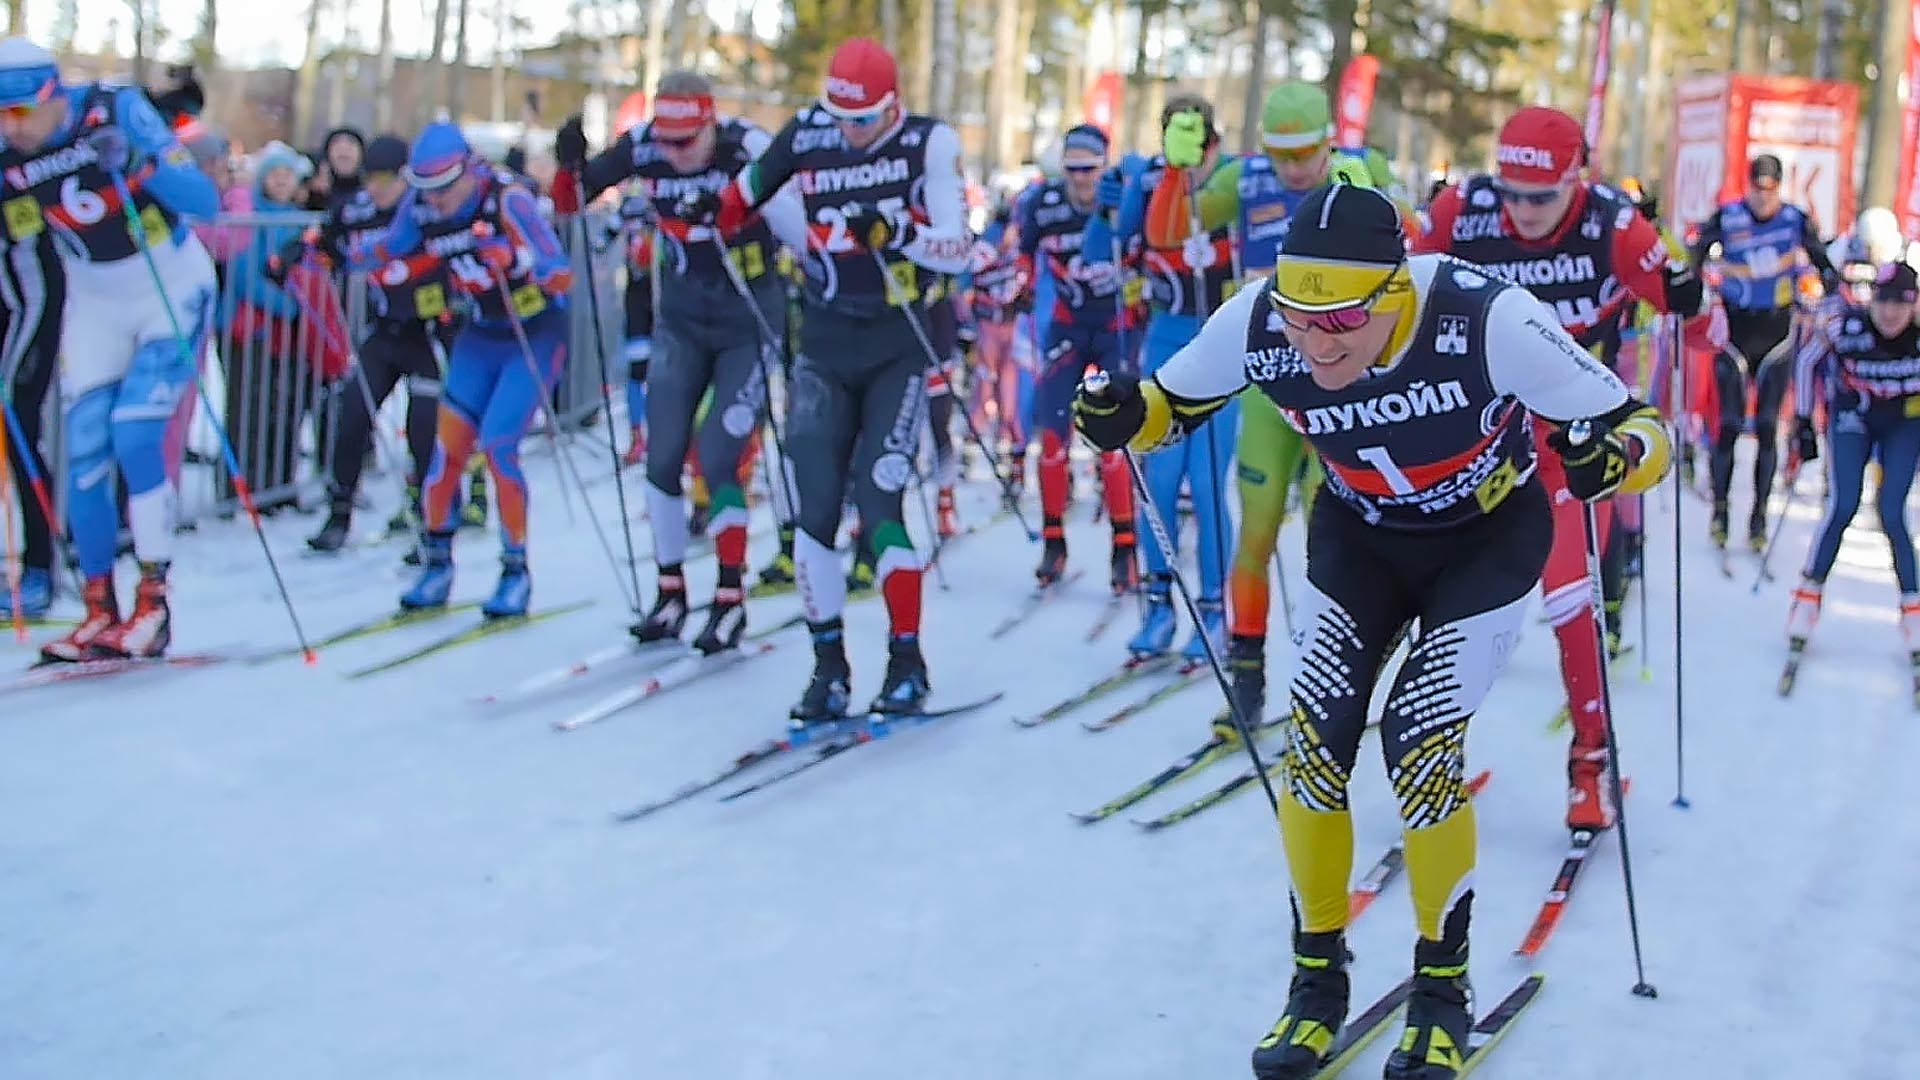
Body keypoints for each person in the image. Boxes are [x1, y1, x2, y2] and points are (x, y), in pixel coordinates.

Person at [1072, 182, 1670, 1080]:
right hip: (1362, 540)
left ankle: (1443, 993)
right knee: (1313, 746)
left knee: (1421, 745)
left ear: (1393, 293)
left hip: (1486, 542)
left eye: (1341, 320)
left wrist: (1608, 462)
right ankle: (1316, 985)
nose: (1315, 342)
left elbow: (1642, 428)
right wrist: (1122, 416)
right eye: (1299, 319)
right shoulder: (1259, 321)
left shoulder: (1484, 316)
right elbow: (1166, 410)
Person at [1418, 104, 1715, 831]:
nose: (1520, 212)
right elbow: (1401, 285)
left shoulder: (1616, 227)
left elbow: (1707, 330)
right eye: (1512, 194)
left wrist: (1692, 301)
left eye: (1540, 197)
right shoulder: (1466, 207)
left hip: (1567, 430)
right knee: (1445, 590)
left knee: (1567, 598)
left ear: (1576, 181)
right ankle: (1432, 750)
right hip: (1477, 423)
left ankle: (1591, 760)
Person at [689, 36, 970, 719]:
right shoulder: (811, 134)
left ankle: (907, 661)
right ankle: (828, 669)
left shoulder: (929, 144)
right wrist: (712, 214)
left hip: (897, 341)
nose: (850, 133)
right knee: (813, 512)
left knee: (879, 502)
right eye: (842, 118)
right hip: (822, 340)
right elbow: (744, 193)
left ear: (893, 106)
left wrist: (899, 229)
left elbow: (960, 246)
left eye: (864, 121)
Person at [553, 70, 807, 654]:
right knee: (663, 453)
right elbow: (573, 202)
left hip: (749, 316)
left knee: (718, 455)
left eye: (686, 141)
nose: (674, 153)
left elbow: (801, 226)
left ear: (710, 124)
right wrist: (569, 165)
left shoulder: (746, 145)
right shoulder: (646, 144)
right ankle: (670, 595)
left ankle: (729, 597)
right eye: (666, 141)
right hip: (683, 319)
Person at [0, 37, 220, 660]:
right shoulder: (7, 151)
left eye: (19, 114)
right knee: (86, 454)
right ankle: (100, 607)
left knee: (135, 431)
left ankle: (154, 602)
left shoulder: (113, 110)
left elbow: (204, 204)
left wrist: (140, 166)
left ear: (52, 98)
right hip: (94, 301)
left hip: (166, 283)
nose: (10, 129)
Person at [340, 122, 573, 618]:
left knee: (499, 447)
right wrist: (327, 254)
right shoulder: (421, 206)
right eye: (425, 190)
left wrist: (516, 260)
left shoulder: (507, 200)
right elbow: (387, 250)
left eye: (445, 189)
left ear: (468, 172)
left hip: (533, 334)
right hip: (482, 334)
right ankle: (438, 562)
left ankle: (515, 570)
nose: (436, 201)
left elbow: (561, 272)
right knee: (446, 454)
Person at [1102, 96, 1240, 664]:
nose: (1191, 159)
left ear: (1214, 143)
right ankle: (1159, 605)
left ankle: (1213, 611)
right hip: (1165, 340)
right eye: (1175, 143)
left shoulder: (1233, 180)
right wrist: (1114, 203)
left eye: (1198, 146)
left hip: (1222, 342)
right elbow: (1118, 243)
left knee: (1207, 484)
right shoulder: (1155, 180)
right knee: (1159, 481)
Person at [295, 134, 452, 553]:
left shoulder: (426, 209)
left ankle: (429, 519)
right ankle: (339, 514)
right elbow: (326, 238)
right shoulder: (358, 208)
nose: (376, 188)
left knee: (424, 431)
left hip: (431, 333)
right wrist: (297, 254)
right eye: (370, 178)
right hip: (384, 331)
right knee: (351, 418)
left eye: (385, 179)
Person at [1688, 152, 1835, 550]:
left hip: (1777, 334)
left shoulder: (1794, 219)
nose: (1763, 198)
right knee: (1731, 424)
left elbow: (1822, 260)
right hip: (1734, 331)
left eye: (1770, 190)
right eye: (1757, 188)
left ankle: (1757, 520)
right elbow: (1697, 250)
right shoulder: (1729, 216)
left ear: (1779, 188)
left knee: (1768, 426)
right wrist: (1689, 284)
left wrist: (1832, 287)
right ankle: (1720, 513)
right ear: (1748, 185)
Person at [1014, 122, 1136, 591]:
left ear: (1103, 165)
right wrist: (1022, 286)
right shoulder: (1043, 204)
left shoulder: (1120, 199)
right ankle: (1053, 542)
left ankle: (1124, 546)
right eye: (1073, 169)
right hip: (1067, 324)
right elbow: (1024, 252)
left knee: (1113, 438)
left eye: (1089, 169)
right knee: (1052, 437)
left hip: (1113, 326)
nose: (1081, 179)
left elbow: (1144, 252)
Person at [1786, 261, 1920, 657]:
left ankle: (1912, 612)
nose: (1890, 312)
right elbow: (1807, 360)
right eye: (1883, 301)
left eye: (1901, 303)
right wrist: (1803, 422)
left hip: (1904, 423)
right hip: (1853, 416)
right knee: (1842, 504)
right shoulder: (1847, 326)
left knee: (1893, 512)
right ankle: (1807, 601)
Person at [0, 161, 64, 620]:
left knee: (19, 432)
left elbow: (35, 278)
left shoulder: (13, 173)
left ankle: (41, 566)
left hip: (29, 316)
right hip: (10, 310)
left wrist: (12, 362)